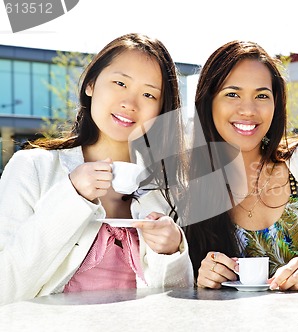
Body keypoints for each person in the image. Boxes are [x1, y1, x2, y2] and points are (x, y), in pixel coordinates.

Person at [0, 33, 193, 305]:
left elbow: (177, 305)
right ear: (91, 84)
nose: (130, 103)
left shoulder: (165, 190)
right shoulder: (33, 167)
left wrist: (172, 253)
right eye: (120, 83)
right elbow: (5, 288)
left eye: (149, 94)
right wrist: (72, 197)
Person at [183, 40, 298, 290]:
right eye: (232, 94)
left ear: (276, 104)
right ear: (208, 102)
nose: (248, 110)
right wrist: (204, 277)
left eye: (262, 95)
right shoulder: (190, 187)